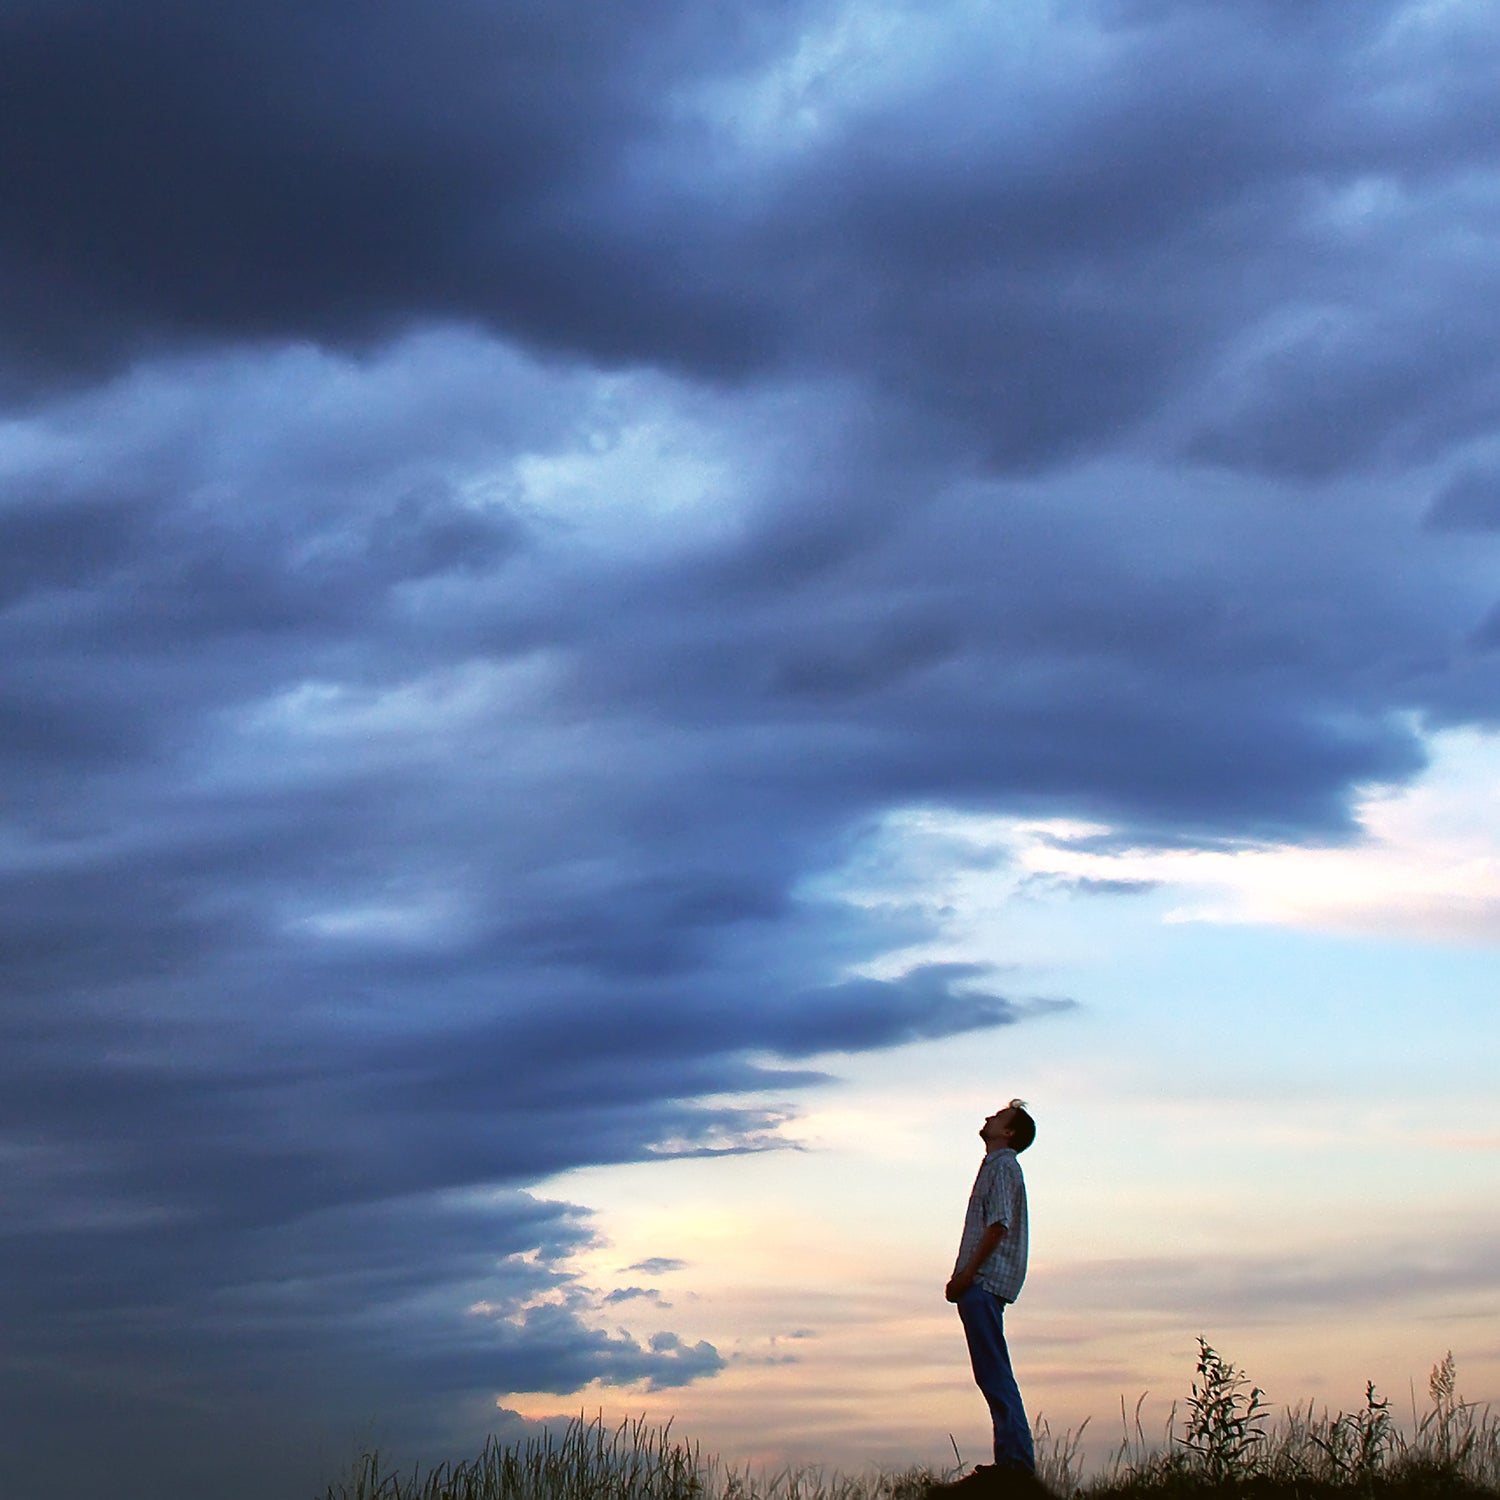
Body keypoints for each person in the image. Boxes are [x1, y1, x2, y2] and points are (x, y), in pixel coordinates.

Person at [945, 1098, 1036, 1478]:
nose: (989, 1117)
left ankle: (1015, 1465)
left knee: (994, 1372)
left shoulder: (1004, 1167)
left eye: (999, 1117)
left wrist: (967, 1276)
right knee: (992, 1372)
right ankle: (1011, 1463)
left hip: (983, 1283)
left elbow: (998, 1226)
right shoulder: (996, 1167)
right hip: (982, 1284)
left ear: (1009, 1132)